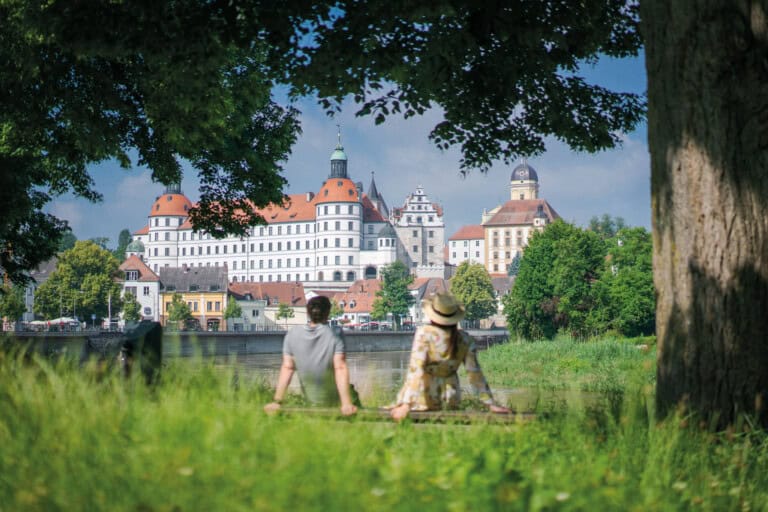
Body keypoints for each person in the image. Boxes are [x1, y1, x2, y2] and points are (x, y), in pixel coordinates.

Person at [389, 291, 510, 421]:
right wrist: (490, 403)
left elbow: (416, 369)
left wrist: (406, 404)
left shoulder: (425, 334)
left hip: (423, 397)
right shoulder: (464, 339)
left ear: (433, 316)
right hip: (451, 396)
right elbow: (475, 374)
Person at [264, 296, 358, 416]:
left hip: (311, 401)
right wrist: (346, 403)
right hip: (335, 401)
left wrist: (277, 401)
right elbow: (339, 367)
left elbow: (288, 368)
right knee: (353, 394)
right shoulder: (335, 333)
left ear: (308, 312)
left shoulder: (293, 333)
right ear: (328, 312)